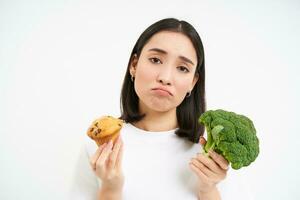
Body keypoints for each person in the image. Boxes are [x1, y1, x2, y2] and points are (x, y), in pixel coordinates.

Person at [70, 18, 252, 200]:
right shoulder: (99, 149)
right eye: (155, 60)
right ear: (134, 65)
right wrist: (110, 189)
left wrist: (208, 191)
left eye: (182, 68)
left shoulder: (213, 154)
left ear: (193, 82)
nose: (165, 77)